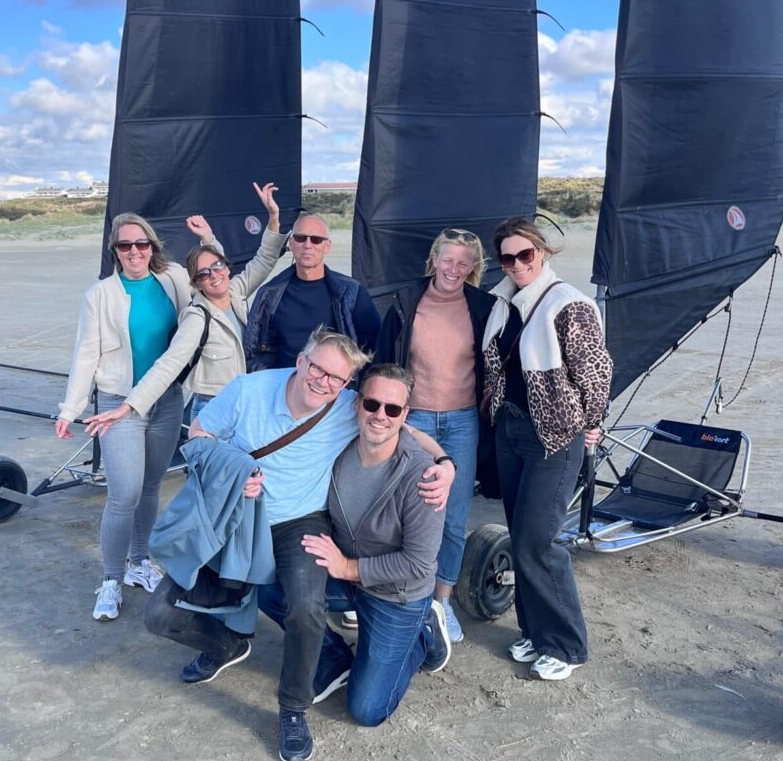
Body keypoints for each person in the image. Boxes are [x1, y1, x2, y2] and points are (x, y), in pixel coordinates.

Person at [144, 327, 456, 761]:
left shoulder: (352, 406)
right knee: (160, 614)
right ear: (300, 360)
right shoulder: (248, 391)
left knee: (306, 608)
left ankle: (293, 709)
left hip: (299, 524)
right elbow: (197, 438)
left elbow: (405, 428)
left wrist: (445, 463)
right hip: (234, 515)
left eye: (337, 379)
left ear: (347, 386)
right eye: (318, 369)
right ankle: (226, 645)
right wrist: (233, 469)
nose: (324, 382)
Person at [263, 363, 453, 729]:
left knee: (367, 710)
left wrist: (347, 568)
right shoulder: (340, 440)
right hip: (346, 576)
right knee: (270, 583)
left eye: (392, 409)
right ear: (356, 404)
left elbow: (418, 564)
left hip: (395, 595)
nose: (380, 416)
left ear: (404, 415)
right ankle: (333, 657)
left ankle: (424, 631)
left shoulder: (423, 476)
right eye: (372, 405)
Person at [55, 209, 218, 621]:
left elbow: (216, 277)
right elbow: (85, 354)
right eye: (125, 245)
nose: (134, 251)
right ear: (115, 250)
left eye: (141, 244)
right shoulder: (100, 295)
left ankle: (139, 562)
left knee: (149, 488)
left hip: (166, 401)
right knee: (123, 493)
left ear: (152, 247)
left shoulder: (175, 279)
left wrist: (209, 237)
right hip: (117, 404)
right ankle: (111, 579)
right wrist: (70, 408)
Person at [481, 217, 612, 681]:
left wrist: (593, 423)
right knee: (520, 537)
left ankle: (567, 644)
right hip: (511, 431)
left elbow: (595, 371)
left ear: (543, 253)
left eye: (525, 255)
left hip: (553, 437)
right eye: (507, 257)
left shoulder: (568, 304)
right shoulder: (504, 302)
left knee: (539, 541)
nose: (516, 264)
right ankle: (535, 632)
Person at [82, 181, 287, 428]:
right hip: (213, 409)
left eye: (218, 267)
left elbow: (265, 258)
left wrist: (273, 216)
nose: (213, 275)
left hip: (247, 404)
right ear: (196, 283)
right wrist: (128, 407)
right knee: (212, 467)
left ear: (227, 267)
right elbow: (169, 364)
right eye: (203, 274)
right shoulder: (197, 317)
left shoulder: (236, 292)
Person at [376, 228, 497, 644]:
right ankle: (405, 594)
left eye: (464, 263)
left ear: (474, 268)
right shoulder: (406, 302)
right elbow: (384, 363)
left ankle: (440, 603)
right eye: (448, 260)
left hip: (462, 422)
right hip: (414, 420)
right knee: (404, 511)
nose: (454, 269)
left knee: (453, 515)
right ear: (433, 260)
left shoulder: (484, 307)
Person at [243, 211, 380, 372]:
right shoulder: (269, 294)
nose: (308, 245)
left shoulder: (352, 293)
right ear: (291, 244)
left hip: (333, 389)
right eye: (301, 238)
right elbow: (254, 350)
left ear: (327, 246)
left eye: (316, 240)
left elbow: (374, 346)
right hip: (282, 388)